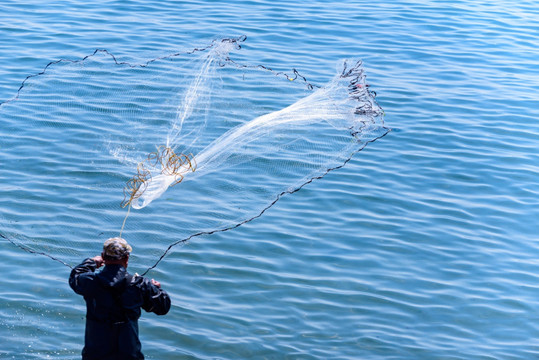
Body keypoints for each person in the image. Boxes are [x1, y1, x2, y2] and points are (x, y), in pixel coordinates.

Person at [69, 237, 171, 360]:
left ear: (103, 256)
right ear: (127, 258)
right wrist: (157, 289)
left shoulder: (90, 282)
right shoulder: (140, 284)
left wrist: (91, 262)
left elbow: (75, 277)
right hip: (129, 355)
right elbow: (163, 308)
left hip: (95, 354)